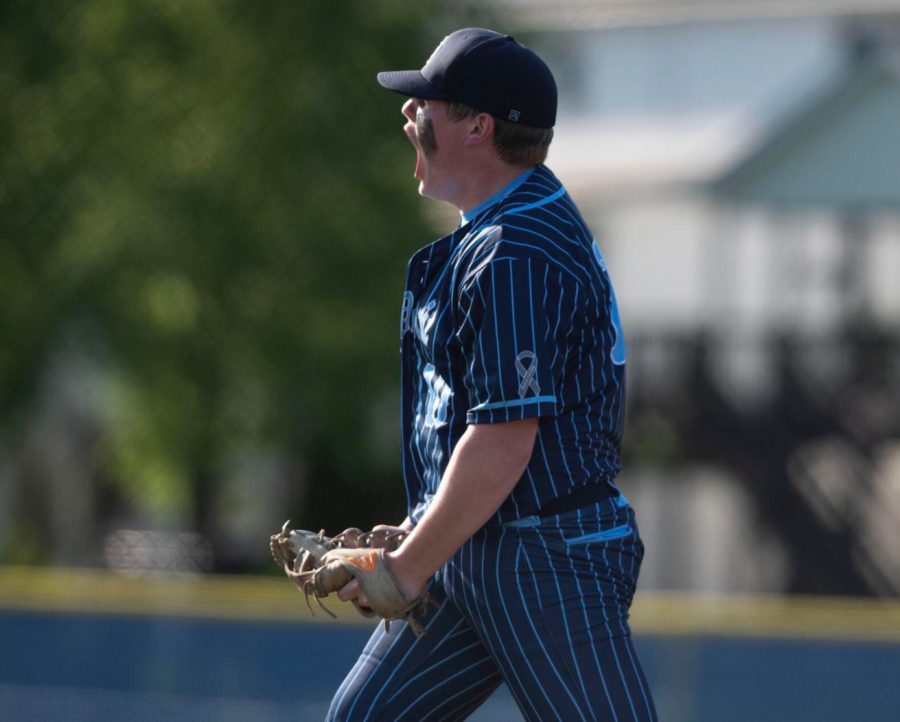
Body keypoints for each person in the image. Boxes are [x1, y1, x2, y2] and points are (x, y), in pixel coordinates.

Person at [327, 27, 657, 722]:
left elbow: (506, 439)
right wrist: (421, 538)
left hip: (545, 556)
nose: (409, 117)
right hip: (481, 546)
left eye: (428, 105)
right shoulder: (503, 231)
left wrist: (408, 568)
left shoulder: (515, 251)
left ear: (479, 127)